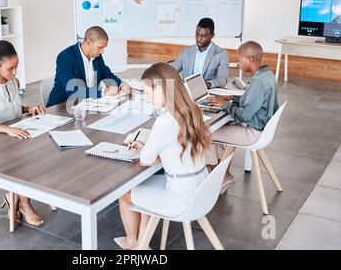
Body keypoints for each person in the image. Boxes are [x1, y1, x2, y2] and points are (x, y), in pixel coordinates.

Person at [114, 63, 211, 250]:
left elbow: (145, 161)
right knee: (143, 186)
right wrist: (153, 149)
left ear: (161, 88)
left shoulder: (164, 121)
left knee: (124, 194)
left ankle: (132, 242)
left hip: (181, 200)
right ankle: (143, 242)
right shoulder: (193, 110)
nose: (147, 97)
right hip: (201, 190)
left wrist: (145, 149)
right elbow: (175, 150)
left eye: (147, 91)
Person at [0, 40, 46, 227]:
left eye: (17, 66)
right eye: (10, 68)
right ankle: (25, 204)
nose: (14, 72)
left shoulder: (14, 82)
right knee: (23, 161)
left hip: (16, 137)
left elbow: (10, 107)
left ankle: (12, 198)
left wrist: (28, 108)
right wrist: (8, 129)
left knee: (39, 152)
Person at [207, 41, 279, 193]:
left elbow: (244, 115)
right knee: (219, 128)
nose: (238, 63)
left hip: (252, 132)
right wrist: (234, 98)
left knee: (204, 133)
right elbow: (257, 101)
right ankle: (220, 172)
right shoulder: (267, 75)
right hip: (262, 129)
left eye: (240, 59)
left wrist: (225, 105)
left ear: (250, 59)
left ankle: (220, 175)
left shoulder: (258, 82)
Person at [48, 26, 131, 107]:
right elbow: (72, 90)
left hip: (86, 104)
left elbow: (107, 74)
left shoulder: (97, 56)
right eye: (100, 47)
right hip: (62, 106)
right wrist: (103, 91)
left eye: (104, 48)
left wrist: (121, 84)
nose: (102, 51)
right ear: (88, 42)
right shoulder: (65, 57)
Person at [171, 17, 229, 88]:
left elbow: (223, 79)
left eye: (203, 36)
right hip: (187, 93)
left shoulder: (221, 54)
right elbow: (173, 68)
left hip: (208, 94)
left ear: (212, 35)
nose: (199, 39)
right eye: (197, 34)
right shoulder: (186, 51)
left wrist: (207, 84)